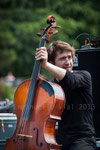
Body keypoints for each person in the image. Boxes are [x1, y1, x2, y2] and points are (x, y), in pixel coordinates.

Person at [35, 41, 96, 150]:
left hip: (82, 139)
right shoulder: (52, 86)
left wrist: (45, 65)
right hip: (59, 138)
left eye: (70, 57)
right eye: (63, 58)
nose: (68, 62)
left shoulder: (84, 76)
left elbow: (70, 80)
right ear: (52, 63)